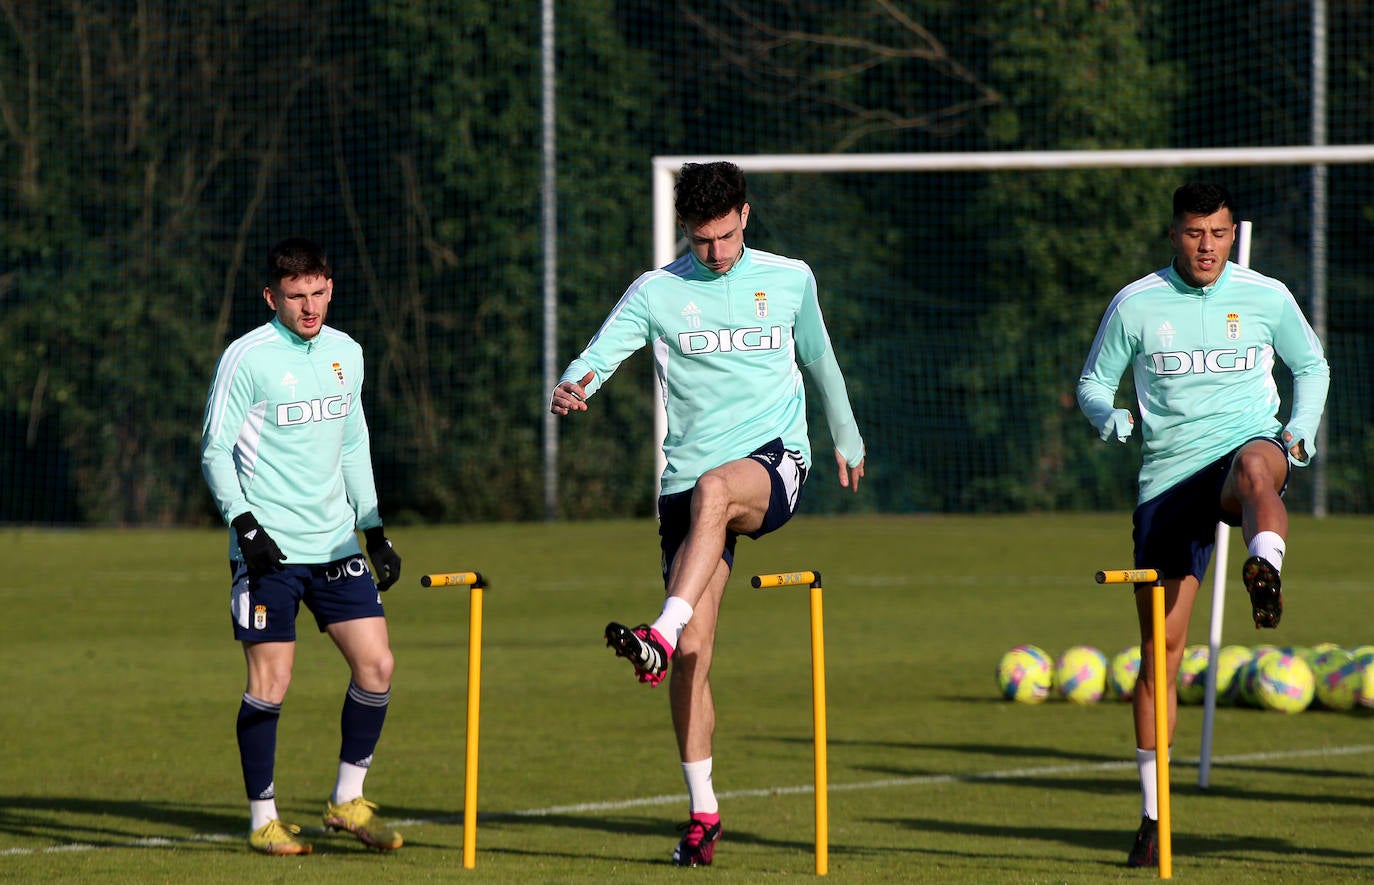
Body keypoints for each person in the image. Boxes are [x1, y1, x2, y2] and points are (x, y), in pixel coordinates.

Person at [550, 160, 865, 867]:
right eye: (701, 241)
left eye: (724, 236)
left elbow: (821, 360)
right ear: (686, 232)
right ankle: (703, 812)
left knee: (716, 496)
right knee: (694, 656)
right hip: (687, 484)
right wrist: (576, 384)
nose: (716, 252)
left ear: (745, 216)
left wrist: (846, 436)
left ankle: (657, 629)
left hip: (772, 460)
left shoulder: (790, 279)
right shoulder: (658, 291)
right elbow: (602, 352)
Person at [1077, 182, 1329, 868]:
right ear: (1175, 234)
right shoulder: (1136, 303)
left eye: (1217, 232)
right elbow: (1093, 383)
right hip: (1169, 480)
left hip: (1246, 447)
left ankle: (1265, 567)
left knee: (1257, 468)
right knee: (1161, 656)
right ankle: (1153, 816)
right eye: (1194, 233)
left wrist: (1298, 432)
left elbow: (1311, 364)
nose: (1207, 245)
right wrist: (1110, 416)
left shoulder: (1266, 295)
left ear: (1230, 233)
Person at [201, 237, 405, 856]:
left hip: (335, 540)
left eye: (318, 292)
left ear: (331, 288)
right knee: (274, 679)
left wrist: (372, 528)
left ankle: (347, 802)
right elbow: (215, 448)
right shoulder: (248, 357)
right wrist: (244, 525)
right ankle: (263, 819)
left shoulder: (347, 352)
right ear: (272, 297)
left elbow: (351, 444)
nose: (309, 306)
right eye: (295, 296)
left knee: (377, 665)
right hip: (269, 550)